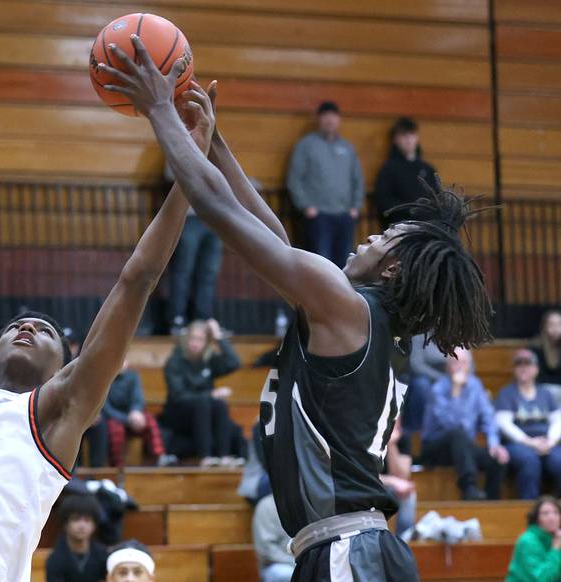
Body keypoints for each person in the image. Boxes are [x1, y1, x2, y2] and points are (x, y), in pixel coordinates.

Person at [101, 36, 494, 579]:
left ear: (395, 269)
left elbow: (215, 207)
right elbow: (278, 239)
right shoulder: (362, 323)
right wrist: (212, 144)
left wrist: (160, 109)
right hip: (345, 547)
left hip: (347, 550)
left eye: (385, 238)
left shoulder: (347, 310)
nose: (369, 238)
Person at [0, 64, 214, 581]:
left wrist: (189, 172)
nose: (28, 329)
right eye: (17, 327)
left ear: (64, 368)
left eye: (44, 331)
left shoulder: (55, 415)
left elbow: (138, 280)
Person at [421, 348, 508, 500]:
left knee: (498, 458)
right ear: (447, 366)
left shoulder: (475, 386)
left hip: (463, 448)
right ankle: (469, 488)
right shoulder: (438, 389)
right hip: (435, 448)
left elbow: (488, 417)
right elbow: (451, 424)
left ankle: (491, 501)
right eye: (455, 362)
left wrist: (494, 443)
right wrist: (455, 391)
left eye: (463, 362)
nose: (459, 366)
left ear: (469, 365)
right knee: (457, 434)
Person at [285, 100, 364, 268]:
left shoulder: (347, 148)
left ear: (339, 119)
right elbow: (294, 179)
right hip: (318, 216)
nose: (330, 120)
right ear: (319, 119)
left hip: (344, 216)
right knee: (321, 264)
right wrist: (306, 206)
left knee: (345, 264)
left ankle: (342, 295)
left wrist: (355, 207)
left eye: (333, 116)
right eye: (326, 116)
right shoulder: (306, 145)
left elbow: (357, 179)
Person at [162, 319, 245, 467]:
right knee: (205, 402)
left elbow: (234, 362)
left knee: (219, 404)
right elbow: (178, 396)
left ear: (207, 342)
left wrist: (218, 336)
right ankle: (205, 457)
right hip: (179, 413)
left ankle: (223, 456)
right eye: (192, 338)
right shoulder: (174, 362)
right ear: (186, 339)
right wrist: (209, 395)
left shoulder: (209, 360)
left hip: (206, 413)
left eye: (200, 339)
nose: (195, 343)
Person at [163, 162, 223, 335]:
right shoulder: (179, 143)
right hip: (189, 217)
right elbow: (170, 173)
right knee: (183, 270)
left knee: (209, 273)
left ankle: (203, 320)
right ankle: (177, 318)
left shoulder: (216, 149)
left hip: (213, 218)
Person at [496, 349, 561, 499]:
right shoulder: (507, 393)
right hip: (518, 443)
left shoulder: (545, 393)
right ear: (514, 369)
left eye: (528, 363)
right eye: (519, 364)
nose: (523, 367)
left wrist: (550, 441)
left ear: (536, 369)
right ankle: (529, 508)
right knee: (529, 461)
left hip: (547, 441)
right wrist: (530, 442)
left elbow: (558, 420)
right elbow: (504, 424)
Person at [103, 361, 175, 467]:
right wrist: (127, 419)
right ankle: (117, 467)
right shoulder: (104, 379)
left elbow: (138, 399)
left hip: (132, 417)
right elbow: (105, 408)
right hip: (114, 419)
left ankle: (159, 456)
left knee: (149, 420)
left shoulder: (133, 376)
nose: (121, 363)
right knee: (115, 429)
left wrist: (136, 412)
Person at [373, 117, 440, 230]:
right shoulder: (388, 169)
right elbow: (384, 202)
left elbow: (438, 198)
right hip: (399, 228)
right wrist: (410, 211)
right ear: (395, 139)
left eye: (412, 135)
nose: (408, 139)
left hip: (427, 227)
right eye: (404, 135)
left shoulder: (428, 169)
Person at [45, 495, 108, 582]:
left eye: (87, 520)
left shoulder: (102, 555)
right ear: (65, 524)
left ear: (94, 525)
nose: (82, 526)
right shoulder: (55, 559)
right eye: (76, 519)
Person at [506, 496, 561, 582]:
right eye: (545, 513)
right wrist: (555, 549)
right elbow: (543, 579)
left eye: (556, 513)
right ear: (537, 519)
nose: (552, 518)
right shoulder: (527, 541)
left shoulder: (557, 537)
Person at [380, 419, 416, 538]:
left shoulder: (403, 438)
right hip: (369, 486)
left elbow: (403, 476)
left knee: (408, 494)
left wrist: (391, 445)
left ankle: (404, 539)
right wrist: (393, 481)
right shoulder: (368, 438)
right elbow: (365, 475)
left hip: (389, 488)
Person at [253, 494, 295, 582]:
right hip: (280, 564)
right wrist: (296, 563)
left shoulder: (310, 502)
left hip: (308, 562)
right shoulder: (266, 505)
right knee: (284, 574)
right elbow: (266, 550)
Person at [534, 310, 561, 398]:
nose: (555, 328)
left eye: (558, 324)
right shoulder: (536, 347)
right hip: (542, 391)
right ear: (544, 326)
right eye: (551, 324)